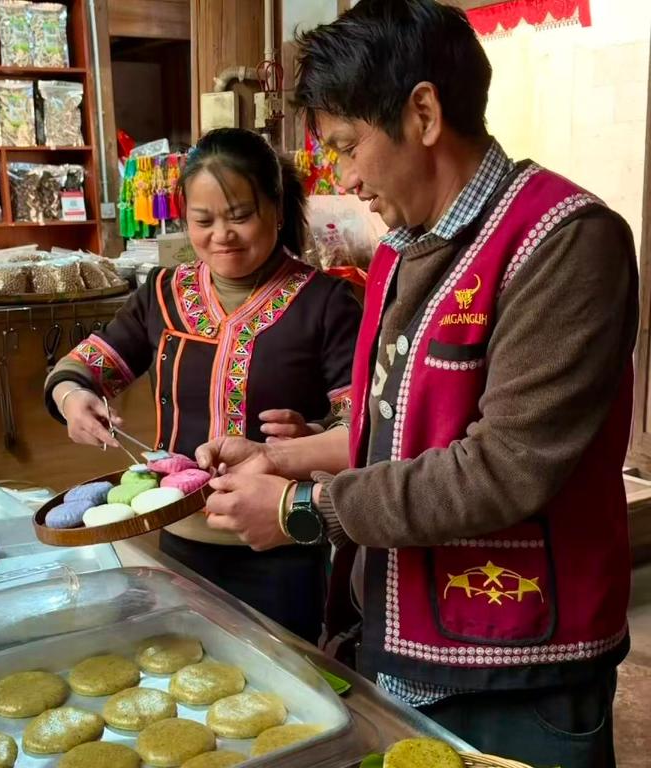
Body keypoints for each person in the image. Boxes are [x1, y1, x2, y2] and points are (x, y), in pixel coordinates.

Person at [194, 3, 637, 767]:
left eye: (348, 146)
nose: (345, 178)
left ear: (424, 113)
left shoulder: (563, 240)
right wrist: (283, 460)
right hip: (402, 632)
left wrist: (304, 511)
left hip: (514, 660)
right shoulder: (403, 249)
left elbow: (502, 468)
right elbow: (393, 430)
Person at [44, 128, 362, 641]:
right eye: (203, 220)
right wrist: (73, 398)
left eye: (240, 216)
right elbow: (82, 367)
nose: (222, 235)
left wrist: (314, 434)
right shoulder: (163, 295)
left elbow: (365, 428)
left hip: (279, 543)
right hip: (180, 541)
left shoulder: (325, 302)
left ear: (276, 209)